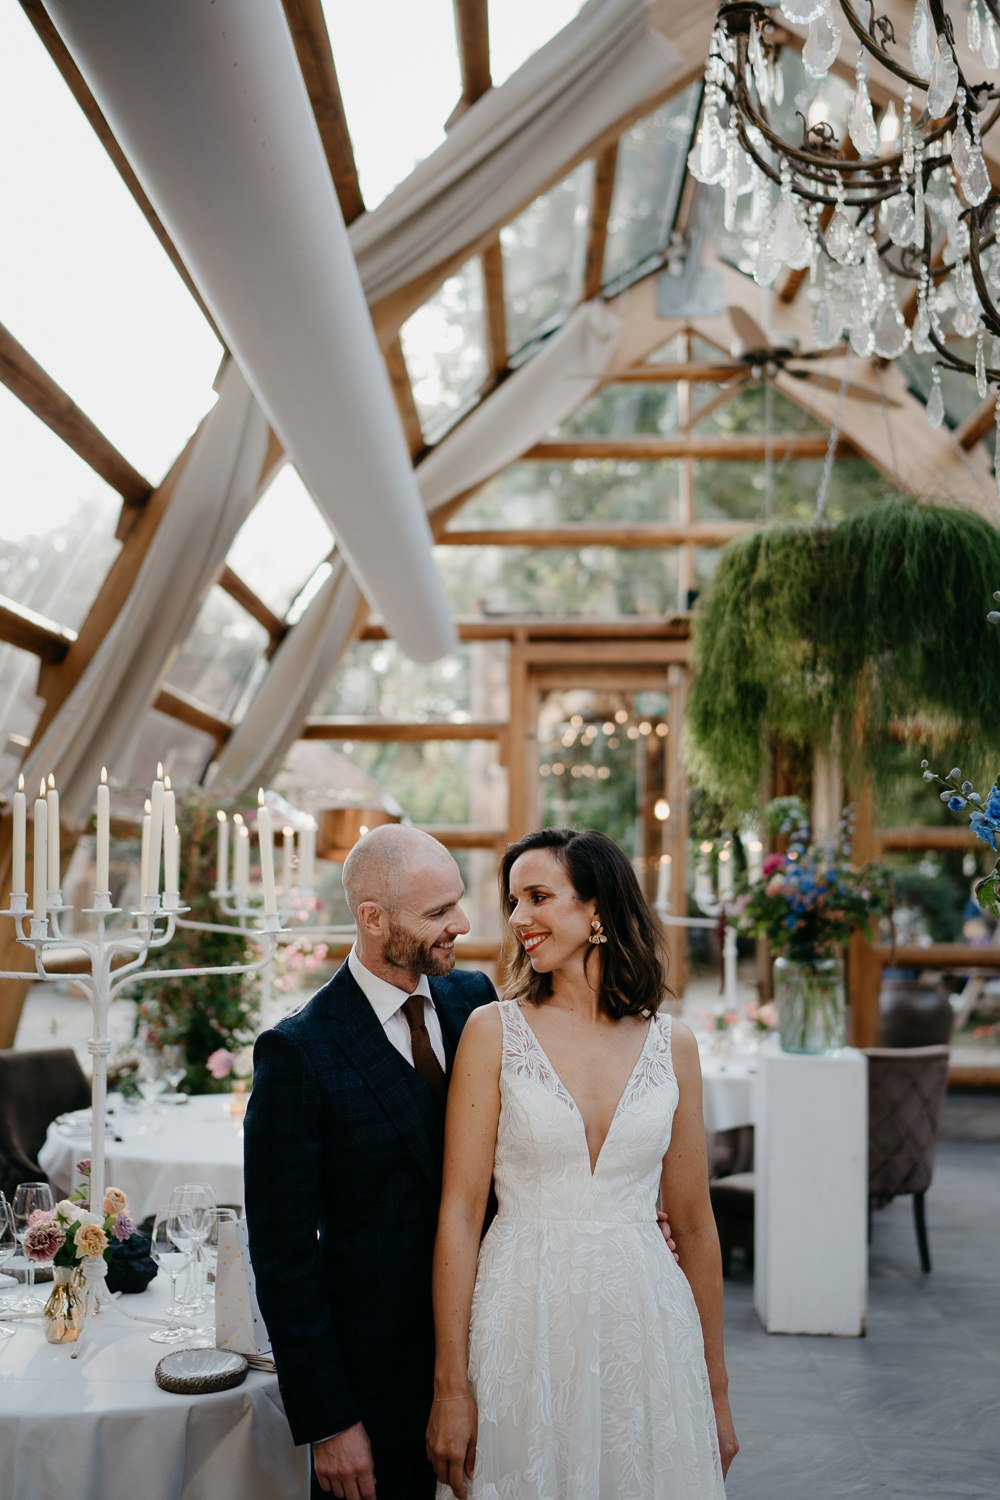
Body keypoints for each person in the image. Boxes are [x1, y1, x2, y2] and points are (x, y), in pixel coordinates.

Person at [426, 826, 739, 1499]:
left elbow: (695, 1224)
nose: (518, 920)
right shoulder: (493, 1031)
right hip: (522, 1318)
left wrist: (715, 1391)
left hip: (647, 1322)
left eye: (538, 897)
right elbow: (459, 1212)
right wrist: (450, 1388)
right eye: (513, 902)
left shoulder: (673, 1043)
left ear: (597, 909)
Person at [244, 824, 496, 1500]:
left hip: (498, 1345)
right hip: (376, 1384)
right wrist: (330, 1422)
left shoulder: (478, 1004)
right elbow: (282, 1256)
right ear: (372, 918)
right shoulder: (298, 1051)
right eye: (438, 912)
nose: (461, 924)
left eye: (458, 903)